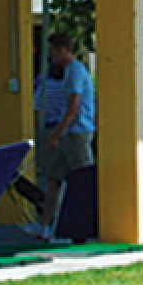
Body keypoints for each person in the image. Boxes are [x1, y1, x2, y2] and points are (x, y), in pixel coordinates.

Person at [33, 32, 95, 237]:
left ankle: (91, 223)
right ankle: (45, 225)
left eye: (52, 51)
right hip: (68, 134)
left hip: (76, 133)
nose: (50, 56)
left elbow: (73, 107)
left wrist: (56, 134)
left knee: (84, 180)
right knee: (54, 178)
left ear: (62, 50)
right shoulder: (69, 71)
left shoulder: (75, 71)